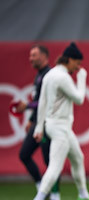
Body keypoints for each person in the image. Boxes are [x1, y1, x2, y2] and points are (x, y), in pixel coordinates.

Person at [33, 42, 89, 200]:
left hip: (55, 126)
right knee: (54, 167)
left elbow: (42, 104)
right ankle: (39, 197)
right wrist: (82, 78)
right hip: (60, 128)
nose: (76, 68)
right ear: (70, 60)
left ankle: (83, 194)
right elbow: (79, 99)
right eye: (77, 64)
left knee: (78, 158)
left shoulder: (50, 74)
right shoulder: (63, 77)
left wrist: (39, 127)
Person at [17, 44, 60, 200]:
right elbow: (38, 101)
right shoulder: (39, 76)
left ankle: (55, 195)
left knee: (50, 162)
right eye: (30, 55)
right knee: (24, 155)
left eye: (34, 55)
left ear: (43, 56)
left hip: (48, 124)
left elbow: (47, 101)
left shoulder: (50, 75)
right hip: (37, 123)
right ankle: (42, 188)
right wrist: (30, 119)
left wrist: (27, 106)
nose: (30, 58)